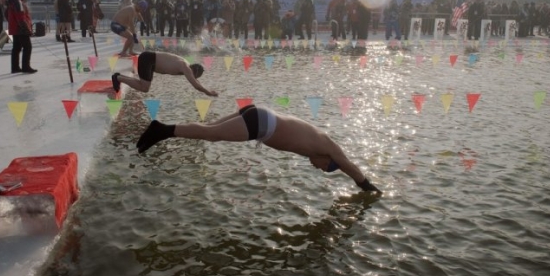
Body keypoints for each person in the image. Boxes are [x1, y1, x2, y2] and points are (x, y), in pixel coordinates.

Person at [136, 104, 381, 194]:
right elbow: (349, 165)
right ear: (328, 162)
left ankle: (163, 130)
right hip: (262, 123)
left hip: (260, 115)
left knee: (208, 130)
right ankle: (162, 130)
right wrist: (365, 185)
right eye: (323, 169)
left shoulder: (318, 141)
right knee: (210, 134)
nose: (317, 168)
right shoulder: (326, 146)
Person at [111, 51, 218, 96]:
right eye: (194, 76)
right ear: (194, 72)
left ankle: (119, 77)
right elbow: (195, 85)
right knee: (145, 88)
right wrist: (208, 92)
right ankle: (118, 78)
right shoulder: (185, 68)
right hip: (149, 60)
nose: (191, 77)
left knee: (144, 85)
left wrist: (202, 86)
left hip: (149, 60)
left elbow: (195, 81)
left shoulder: (186, 64)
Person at [7, 0, 37, 73]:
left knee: (16, 48)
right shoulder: (19, 2)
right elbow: (21, 17)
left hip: (15, 28)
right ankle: (26, 67)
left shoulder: (13, 2)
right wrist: (26, 28)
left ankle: (15, 67)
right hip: (21, 29)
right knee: (27, 47)